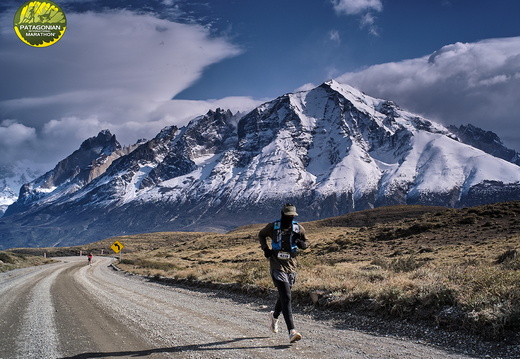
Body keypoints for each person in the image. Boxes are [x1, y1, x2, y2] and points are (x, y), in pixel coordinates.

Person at [258, 203, 309, 343]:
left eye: (292, 215)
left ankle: (274, 317)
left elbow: (306, 241)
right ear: (282, 214)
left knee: (284, 296)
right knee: (286, 296)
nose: (290, 217)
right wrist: (265, 249)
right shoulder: (273, 227)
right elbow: (261, 235)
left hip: (291, 266)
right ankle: (292, 331)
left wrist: (303, 245)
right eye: (288, 215)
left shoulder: (298, 228)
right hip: (276, 264)